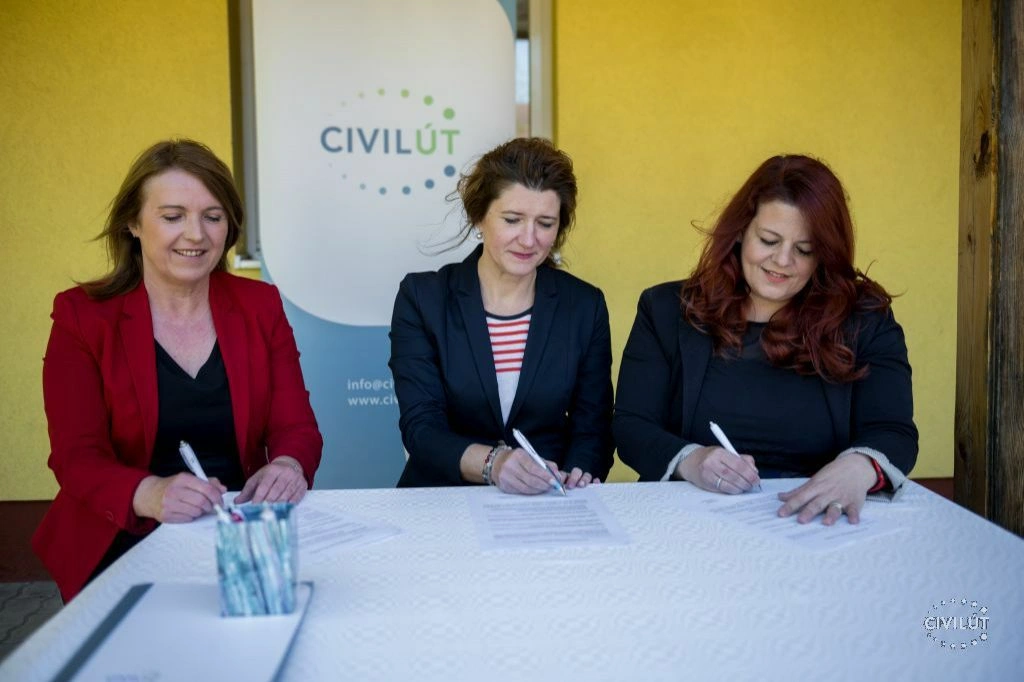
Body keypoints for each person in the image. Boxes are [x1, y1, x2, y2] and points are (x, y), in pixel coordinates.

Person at [34, 139, 323, 601]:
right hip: (121, 536)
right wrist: (150, 493)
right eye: (173, 216)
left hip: (237, 532)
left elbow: (297, 428)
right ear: (133, 223)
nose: (196, 234)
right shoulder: (83, 316)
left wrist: (289, 465)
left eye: (213, 216)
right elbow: (76, 456)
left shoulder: (259, 305)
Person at [614, 154, 917, 524]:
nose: (782, 260)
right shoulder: (666, 310)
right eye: (769, 240)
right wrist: (692, 461)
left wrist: (860, 466)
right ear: (741, 231)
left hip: (818, 522)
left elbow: (894, 431)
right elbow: (631, 425)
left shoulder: (864, 320)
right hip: (692, 520)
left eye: (804, 249)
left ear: (824, 255)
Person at [389, 137, 614, 493]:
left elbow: (593, 427)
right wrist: (493, 464)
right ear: (479, 216)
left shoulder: (584, 306)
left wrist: (577, 475)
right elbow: (422, 428)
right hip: (443, 498)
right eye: (512, 220)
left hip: (547, 498)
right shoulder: (423, 298)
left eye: (545, 223)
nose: (529, 239)